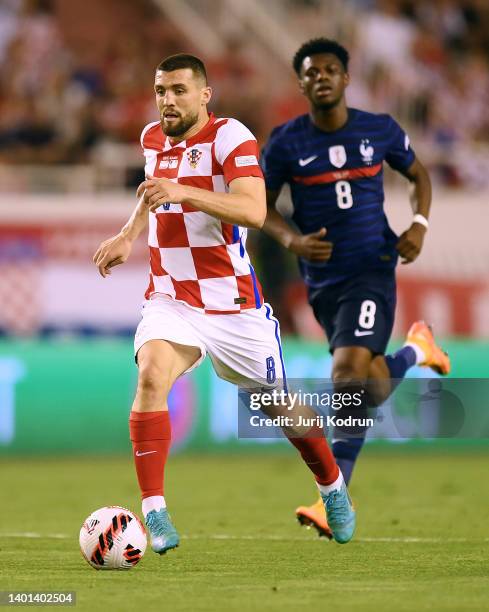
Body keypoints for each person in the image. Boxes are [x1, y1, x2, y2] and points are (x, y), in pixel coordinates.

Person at [93, 53, 355, 552]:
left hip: (232, 303)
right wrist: (129, 236)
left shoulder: (230, 137)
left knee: (282, 407)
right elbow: (152, 194)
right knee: (151, 374)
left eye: (179, 91)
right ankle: (155, 512)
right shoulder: (152, 138)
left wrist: (184, 193)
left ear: (204, 95)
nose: (168, 100)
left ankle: (333, 489)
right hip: (171, 297)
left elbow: (254, 210)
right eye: (161, 90)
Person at [261, 38, 450, 538]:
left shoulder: (379, 129)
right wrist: (292, 241)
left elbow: (418, 173)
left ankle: (336, 497)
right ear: (300, 83)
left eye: (330, 69)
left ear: (346, 78)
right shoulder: (285, 144)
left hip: (372, 267)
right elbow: (257, 207)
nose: (320, 77)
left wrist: (419, 225)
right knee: (364, 383)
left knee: (345, 378)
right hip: (323, 282)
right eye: (310, 72)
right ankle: (416, 350)